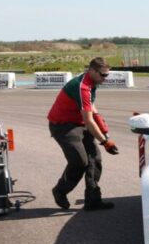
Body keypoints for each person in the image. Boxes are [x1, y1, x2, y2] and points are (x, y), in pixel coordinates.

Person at [47, 57, 119, 211]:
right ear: (92, 71)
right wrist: (105, 142)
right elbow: (88, 121)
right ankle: (60, 190)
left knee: (95, 159)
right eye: (103, 75)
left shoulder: (92, 81)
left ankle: (93, 200)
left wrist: (103, 128)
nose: (105, 79)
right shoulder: (82, 87)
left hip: (79, 123)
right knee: (80, 162)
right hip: (64, 127)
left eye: (107, 75)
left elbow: (91, 106)